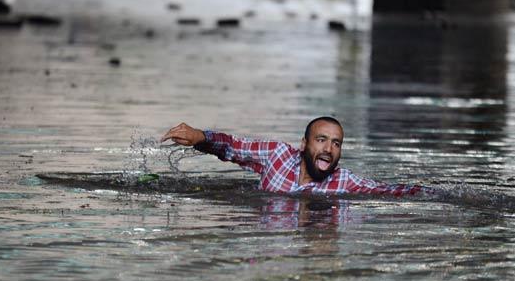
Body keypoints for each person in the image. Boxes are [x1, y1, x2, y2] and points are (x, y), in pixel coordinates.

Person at [160, 116, 431, 196]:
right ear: (304, 144)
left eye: (336, 143)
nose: (329, 149)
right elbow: (233, 147)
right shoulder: (277, 155)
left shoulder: (343, 182)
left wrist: (439, 194)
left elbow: (388, 191)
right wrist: (201, 137)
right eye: (321, 140)